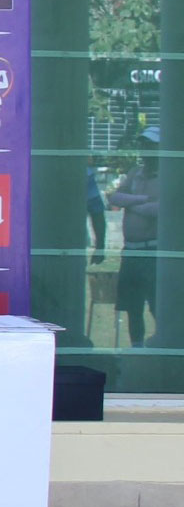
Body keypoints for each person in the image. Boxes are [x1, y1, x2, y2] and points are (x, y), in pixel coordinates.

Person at [109, 126, 161, 348]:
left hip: (153, 252)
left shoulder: (170, 175)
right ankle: (136, 348)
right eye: (144, 145)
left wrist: (131, 203)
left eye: (151, 145)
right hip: (130, 252)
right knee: (133, 306)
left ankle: (166, 346)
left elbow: (159, 210)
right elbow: (114, 197)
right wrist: (139, 200)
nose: (146, 150)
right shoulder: (134, 173)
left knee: (158, 305)